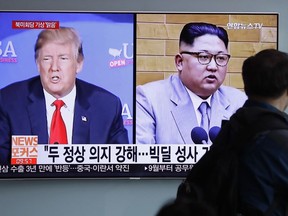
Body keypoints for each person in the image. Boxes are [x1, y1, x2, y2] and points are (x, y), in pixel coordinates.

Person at [0, 27, 129, 164]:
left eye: (63, 58)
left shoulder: (106, 106)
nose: (54, 67)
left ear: (79, 64)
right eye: (47, 59)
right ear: (38, 64)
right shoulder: (9, 102)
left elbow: (121, 167)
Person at [136, 22, 247, 144]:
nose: (213, 66)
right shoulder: (149, 99)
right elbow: (142, 158)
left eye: (221, 58)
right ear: (180, 62)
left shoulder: (240, 103)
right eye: (204, 57)